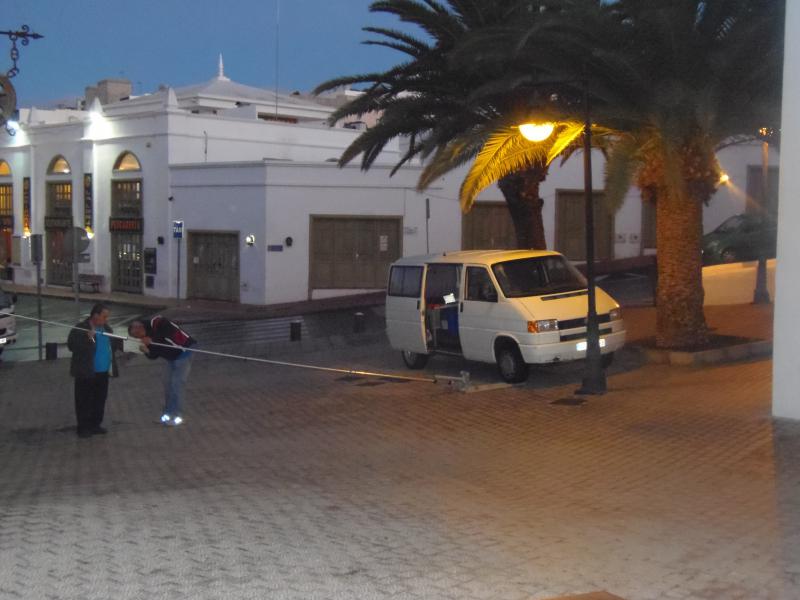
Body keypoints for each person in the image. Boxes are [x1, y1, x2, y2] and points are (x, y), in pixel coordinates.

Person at [128, 316, 196, 426]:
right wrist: (146, 351)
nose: (140, 339)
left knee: (177, 384)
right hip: (172, 357)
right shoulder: (146, 336)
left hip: (184, 351)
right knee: (167, 383)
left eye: (138, 336)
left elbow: (170, 338)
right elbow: (154, 355)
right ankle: (167, 415)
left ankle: (177, 416)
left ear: (140, 328)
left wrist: (152, 341)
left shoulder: (158, 322)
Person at [67, 303, 122, 438]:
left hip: (103, 371)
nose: (106, 319)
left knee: (99, 399)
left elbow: (112, 345)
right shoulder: (81, 328)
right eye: (104, 316)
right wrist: (88, 338)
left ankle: (95, 424)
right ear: (95, 315)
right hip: (86, 372)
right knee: (84, 400)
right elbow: (72, 346)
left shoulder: (106, 328)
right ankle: (83, 427)